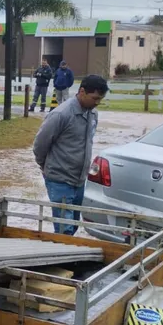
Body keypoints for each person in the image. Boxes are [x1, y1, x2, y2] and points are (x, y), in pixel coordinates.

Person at [33, 75, 109, 235]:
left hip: (79, 180)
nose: (97, 102)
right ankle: (61, 257)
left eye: (100, 99)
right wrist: (45, 167)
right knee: (64, 230)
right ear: (82, 92)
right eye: (95, 98)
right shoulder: (61, 114)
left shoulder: (92, 114)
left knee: (73, 224)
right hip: (60, 179)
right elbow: (40, 144)